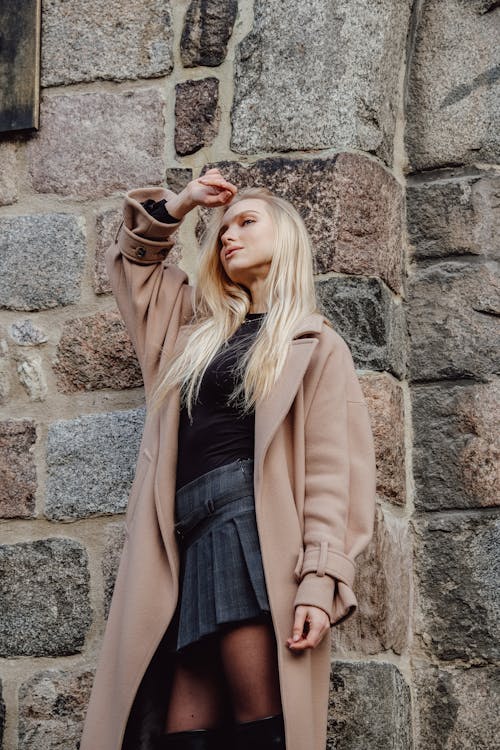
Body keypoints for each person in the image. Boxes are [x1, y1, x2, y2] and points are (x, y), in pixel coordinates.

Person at [80, 168, 377, 750]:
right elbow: (138, 265)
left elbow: (331, 476)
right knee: (181, 732)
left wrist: (319, 583)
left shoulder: (313, 344)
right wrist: (185, 203)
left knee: (258, 722)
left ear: (285, 240)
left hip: (250, 533)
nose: (227, 236)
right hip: (182, 544)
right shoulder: (192, 332)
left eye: (246, 223)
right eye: (221, 231)